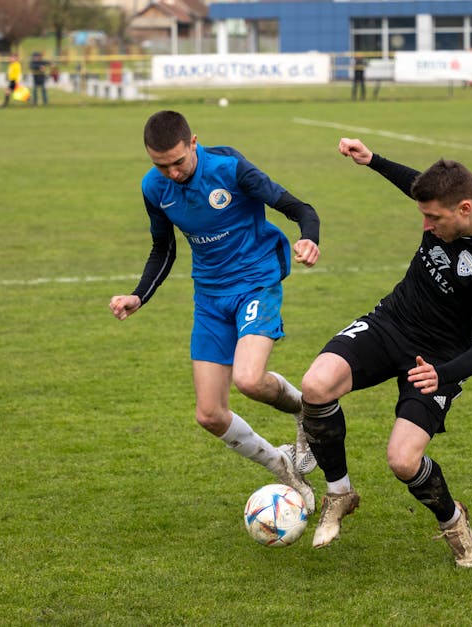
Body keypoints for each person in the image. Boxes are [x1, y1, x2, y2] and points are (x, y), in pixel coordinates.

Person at [299, 136, 472, 568]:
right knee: (316, 385)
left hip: (439, 358)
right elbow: (415, 184)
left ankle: (453, 520)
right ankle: (340, 493)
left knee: (403, 460)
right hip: (392, 321)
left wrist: (443, 374)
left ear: (464, 210)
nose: (426, 226)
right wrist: (372, 161)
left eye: (432, 218)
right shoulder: (452, 200)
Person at [108, 111, 320, 514]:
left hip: (256, 281)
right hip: (209, 297)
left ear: (193, 143)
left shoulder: (231, 169)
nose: (170, 172)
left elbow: (300, 208)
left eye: (178, 161)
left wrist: (309, 239)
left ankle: (307, 411)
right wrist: (139, 296)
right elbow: (164, 248)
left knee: (249, 379)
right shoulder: (154, 188)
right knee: (209, 414)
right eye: (160, 165)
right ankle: (284, 468)